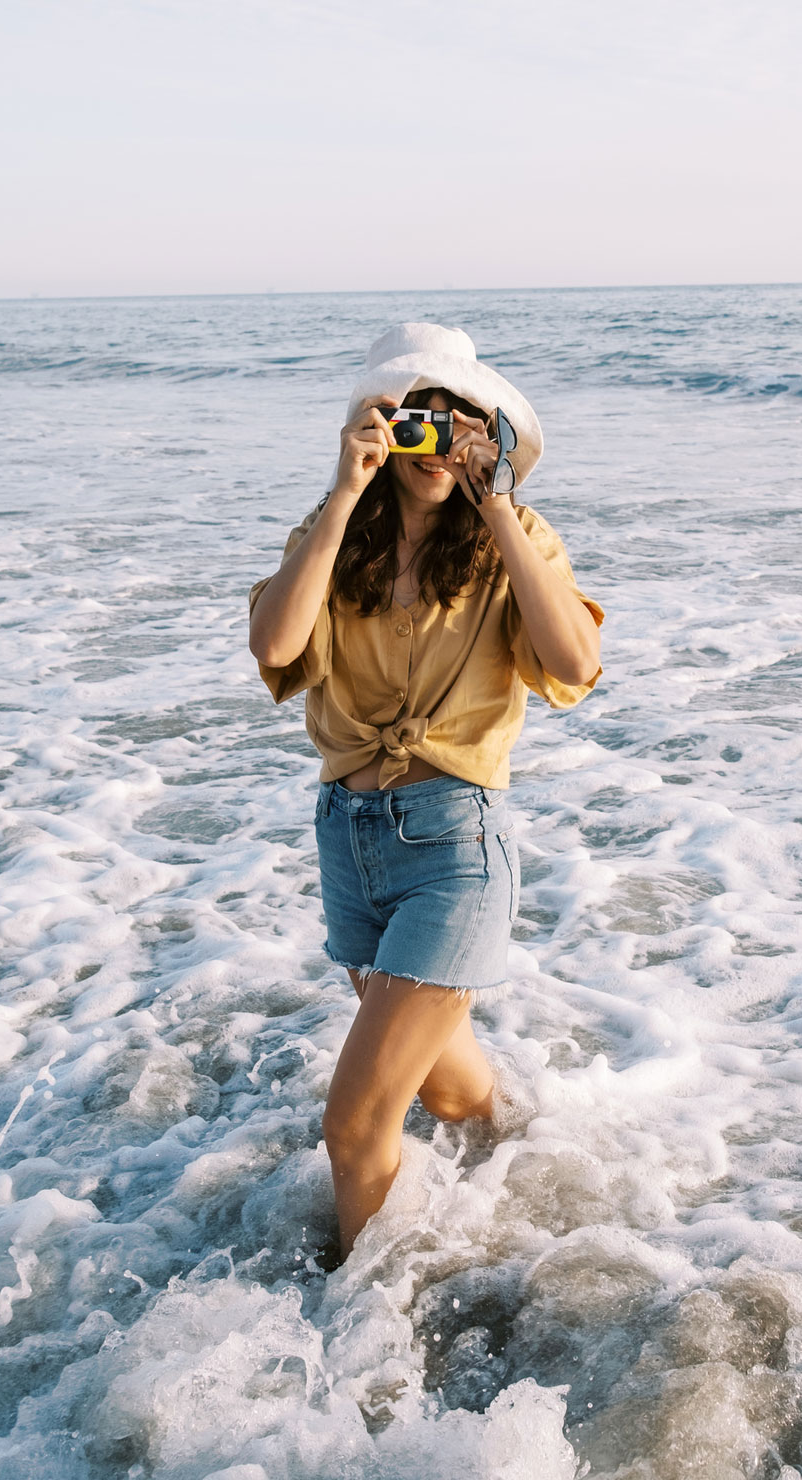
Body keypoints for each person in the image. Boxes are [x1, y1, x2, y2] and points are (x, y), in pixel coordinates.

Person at [247, 322, 603, 1255]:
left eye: (461, 419)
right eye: (418, 414)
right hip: (349, 842)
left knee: (355, 1126)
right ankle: (541, 1181)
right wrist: (343, 490)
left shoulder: (511, 539)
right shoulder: (331, 535)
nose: (438, 437)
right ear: (381, 423)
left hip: (452, 847)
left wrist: (499, 510)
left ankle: (370, 1327)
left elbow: (574, 662)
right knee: (447, 1093)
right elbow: (274, 648)